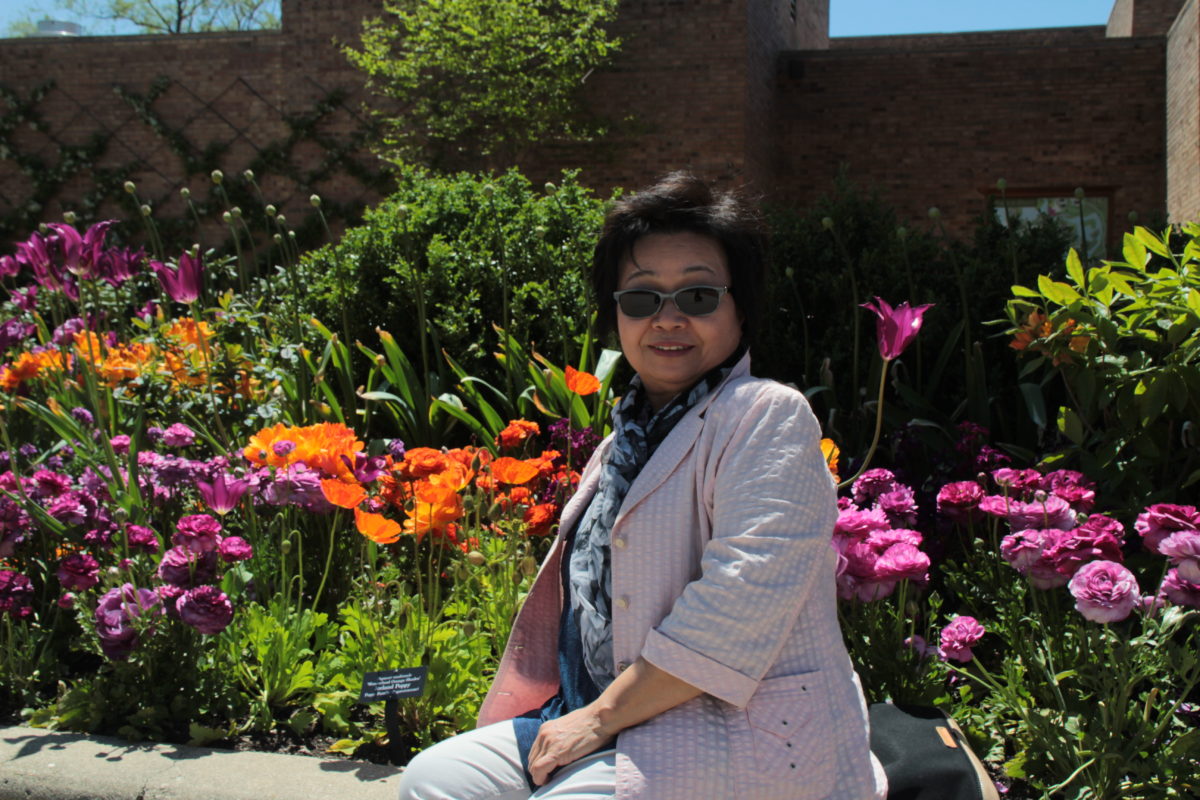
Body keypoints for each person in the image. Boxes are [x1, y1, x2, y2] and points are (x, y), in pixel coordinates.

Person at [397, 172, 886, 800]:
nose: (668, 318)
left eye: (699, 296)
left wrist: (598, 720)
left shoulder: (766, 417)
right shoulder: (623, 442)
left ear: (741, 309)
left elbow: (737, 606)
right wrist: (586, 714)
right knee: (434, 779)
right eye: (641, 298)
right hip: (600, 711)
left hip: (725, 728)